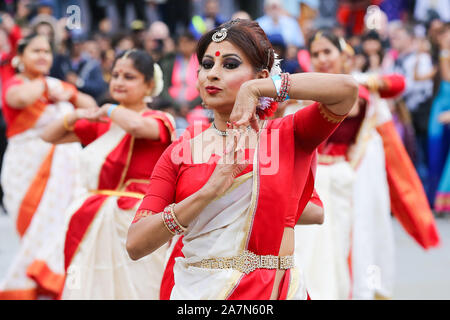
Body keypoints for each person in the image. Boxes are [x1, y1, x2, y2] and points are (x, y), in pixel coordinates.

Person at [126, 19, 359, 300]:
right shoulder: (180, 150)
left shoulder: (287, 135)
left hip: (272, 292)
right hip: (199, 293)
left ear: (261, 76)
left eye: (230, 65)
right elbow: (136, 243)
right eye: (207, 64)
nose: (212, 74)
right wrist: (207, 193)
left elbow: (346, 90)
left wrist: (257, 90)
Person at [295, 30, 439, 300]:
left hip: (351, 177)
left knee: (360, 240)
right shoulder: (302, 89)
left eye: (328, 52)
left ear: (344, 56)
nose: (322, 58)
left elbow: (397, 85)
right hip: (313, 181)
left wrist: (359, 80)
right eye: (316, 54)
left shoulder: (356, 89)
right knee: (313, 248)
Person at [41, 49, 176, 299]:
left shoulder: (159, 118)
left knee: (141, 288)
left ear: (148, 84)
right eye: (115, 75)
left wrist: (107, 109)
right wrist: (76, 115)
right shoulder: (104, 122)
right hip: (91, 218)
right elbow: (48, 135)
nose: (119, 82)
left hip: (136, 222)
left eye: (129, 77)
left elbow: (136, 126)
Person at [0, 33, 97, 300]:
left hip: (65, 170)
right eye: (36, 51)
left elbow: (91, 108)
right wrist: (50, 88)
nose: (43, 56)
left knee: (63, 226)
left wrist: (70, 92)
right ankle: (32, 286)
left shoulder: (57, 86)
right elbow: (17, 100)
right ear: (20, 57)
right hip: (26, 167)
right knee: (33, 230)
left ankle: (54, 287)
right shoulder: (16, 83)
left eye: (47, 51)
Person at [429, 23, 450, 213]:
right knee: (435, 151)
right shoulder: (437, 56)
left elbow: (447, 77)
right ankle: (436, 197)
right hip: (440, 105)